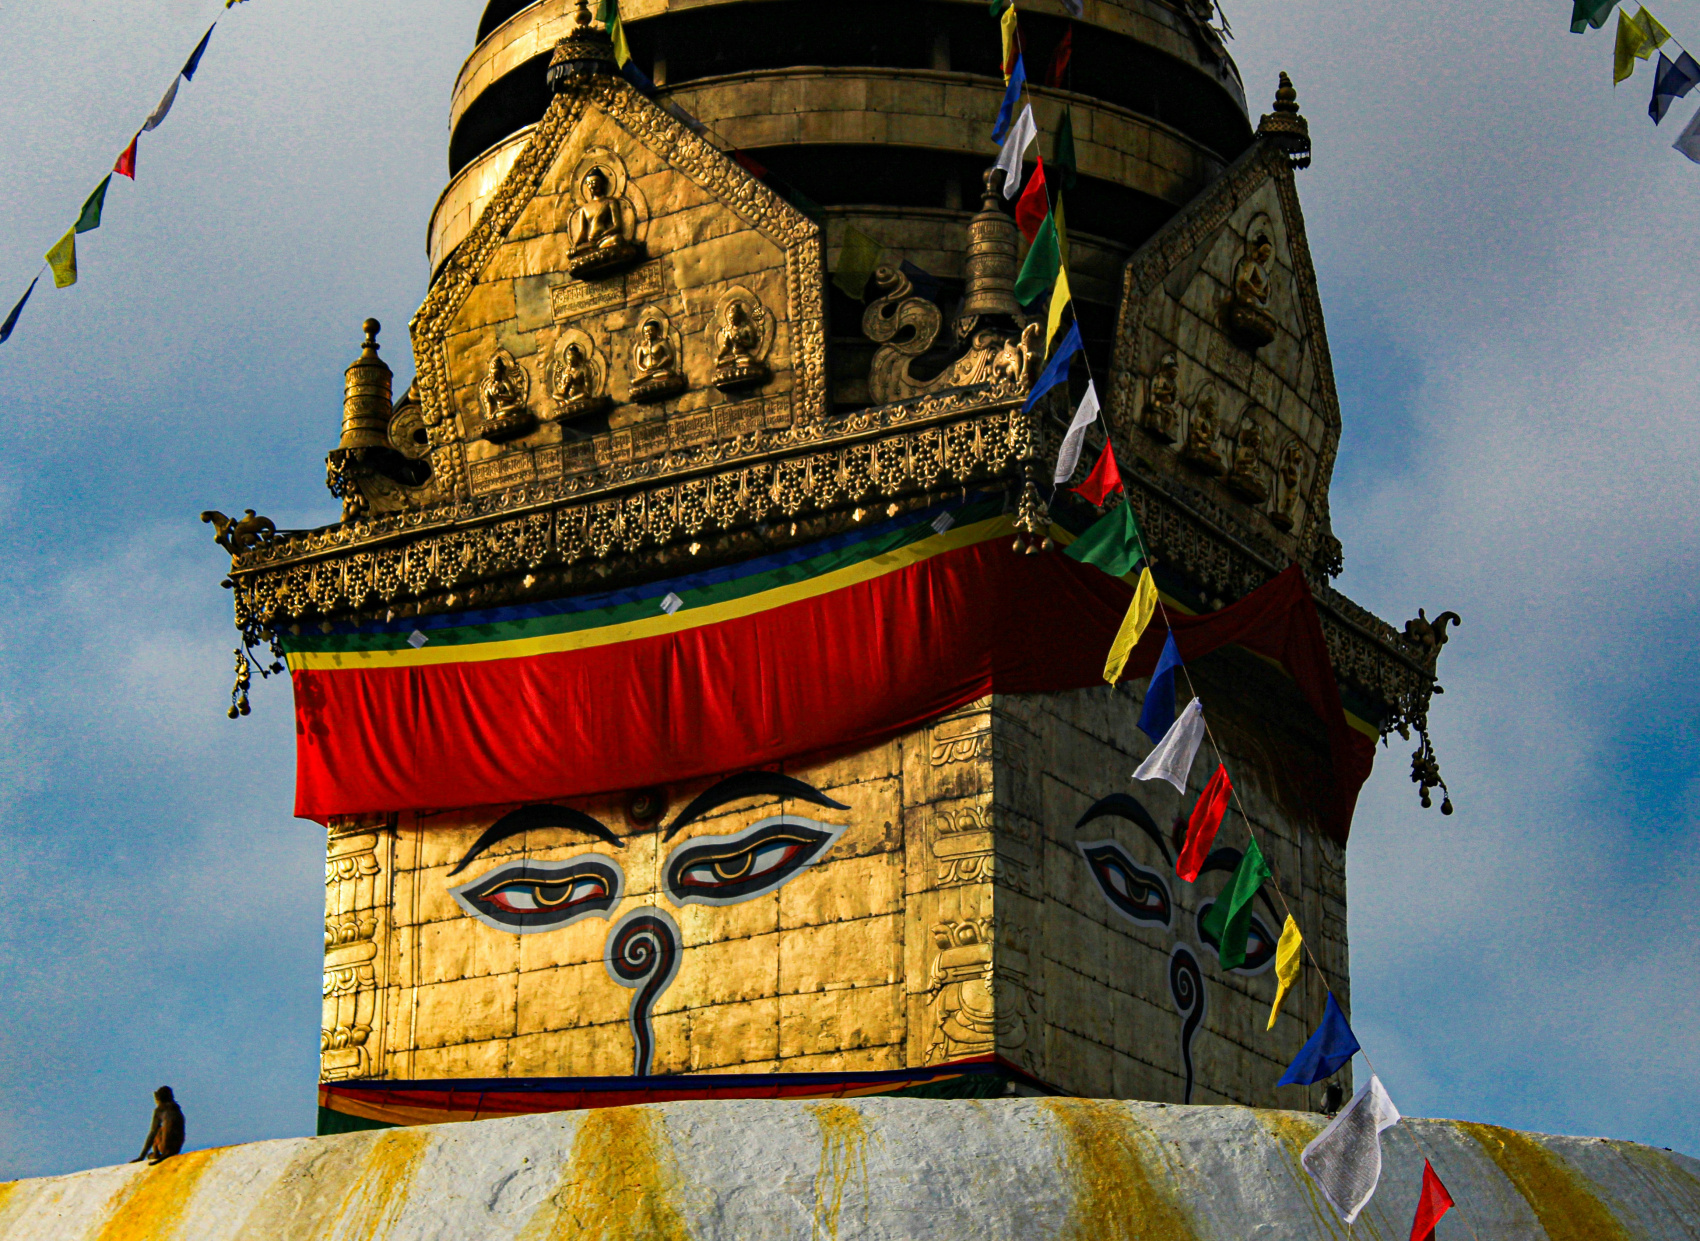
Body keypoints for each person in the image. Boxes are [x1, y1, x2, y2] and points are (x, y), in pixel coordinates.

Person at [132, 1086, 185, 1165]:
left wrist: (141, 1156)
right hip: (176, 1148)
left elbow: (152, 1133)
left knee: (157, 1130)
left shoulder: (159, 1110)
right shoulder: (176, 1108)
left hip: (164, 1148)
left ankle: (157, 1154)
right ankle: (165, 1153)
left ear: (158, 1098)